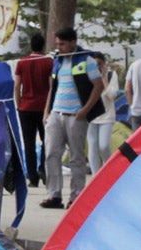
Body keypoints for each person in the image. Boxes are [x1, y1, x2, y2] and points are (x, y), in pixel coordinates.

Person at [40, 28, 103, 209]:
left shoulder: (87, 60)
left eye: (63, 44)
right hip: (56, 114)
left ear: (73, 42)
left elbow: (98, 86)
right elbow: (52, 88)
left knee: (76, 157)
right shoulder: (57, 61)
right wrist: (47, 111)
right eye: (57, 44)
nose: (59, 47)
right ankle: (54, 194)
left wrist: (85, 110)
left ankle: (76, 196)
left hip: (75, 116)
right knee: (51, 154)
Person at [12, 34, 50, 180]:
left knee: (28, 142)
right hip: (44, 107)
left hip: (26, 107)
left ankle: (32, 176)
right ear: (43, 46)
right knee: (47, 140)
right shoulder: (48, 62)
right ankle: (43, 169)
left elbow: (17, 86)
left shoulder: (22, 63)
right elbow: (51, 85)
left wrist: (18, 103)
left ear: (31, 45)